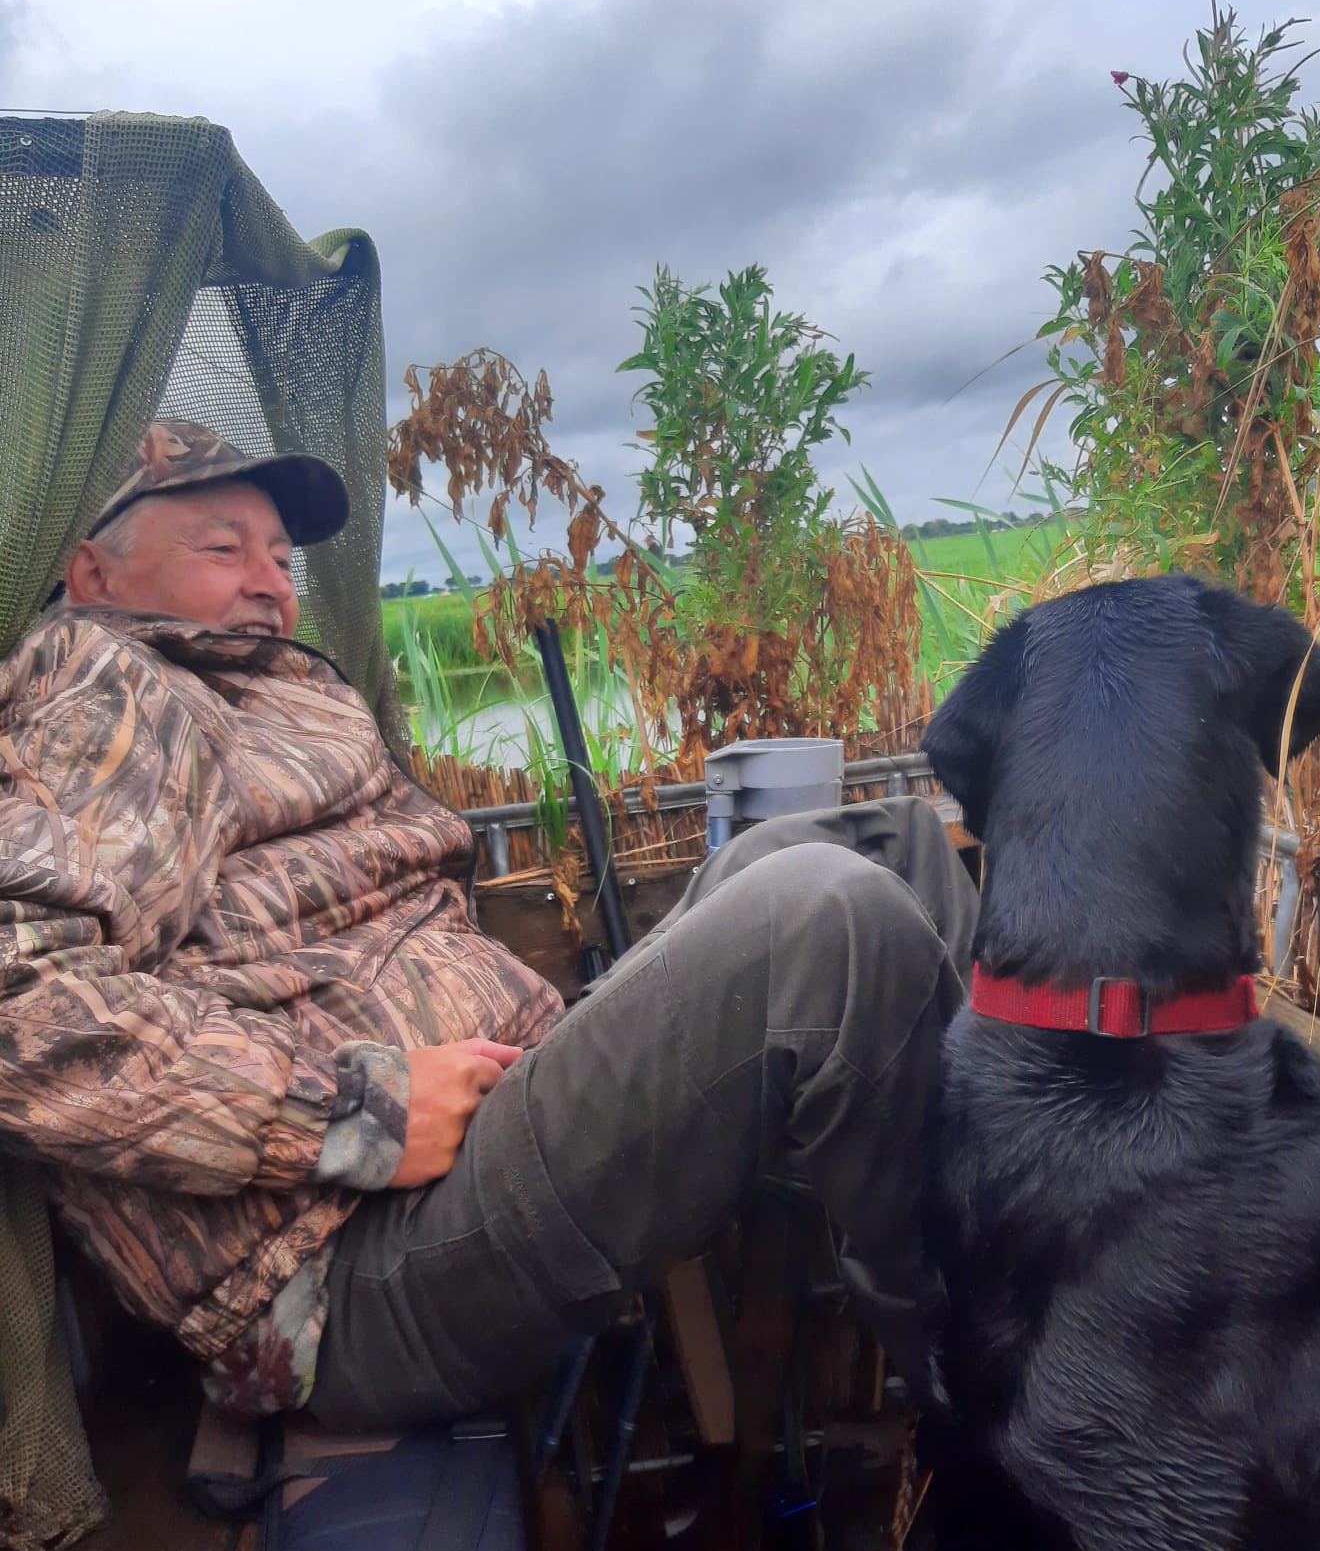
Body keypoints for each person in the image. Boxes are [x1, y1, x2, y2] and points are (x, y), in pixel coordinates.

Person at [0, 421, 977, 1429]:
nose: (268, 581)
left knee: (888, 839)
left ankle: (1004, 1240)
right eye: (221, 546)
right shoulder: (108, 684)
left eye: (281, 557)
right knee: (828, 918)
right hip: (346, 1262)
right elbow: (20, 1004)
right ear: (90, 571)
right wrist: (356, 1115)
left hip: (490, 1127)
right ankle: (996, 1390)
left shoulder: (264, 696)